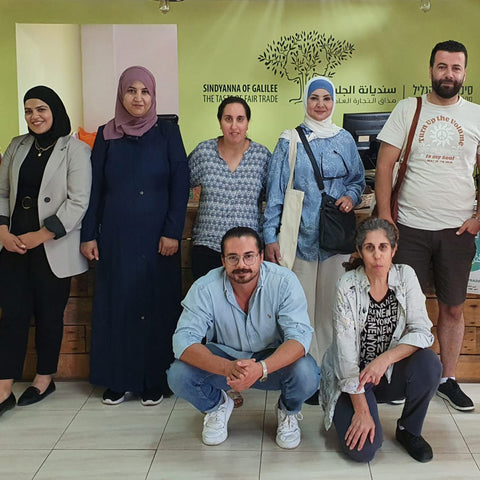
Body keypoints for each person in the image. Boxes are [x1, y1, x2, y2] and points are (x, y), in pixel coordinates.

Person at [375, 40, 480, 412]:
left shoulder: (477, 115)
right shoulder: (409, 108)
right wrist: (387, 217)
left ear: (464, 72)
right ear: (430, 69)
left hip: (456, 232)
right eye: (441, 66)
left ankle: (447, 379)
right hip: (410, 230)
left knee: (452, 308)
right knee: (406, 309)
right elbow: (385, 165)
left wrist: (478, 218)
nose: (448, 74)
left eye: (455, 67)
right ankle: (406, 376)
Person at [80, 66, 189, 406]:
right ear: (121, 95)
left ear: (154, 96)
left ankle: (154, 379)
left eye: (145, 91)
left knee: (156, 307)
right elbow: (93, 188)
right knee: (119, 306)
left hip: (159, 240)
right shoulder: (106, 135)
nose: (138, 97)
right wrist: (88, 235)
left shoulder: (168, 133)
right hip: (116, 238)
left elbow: (180, 185)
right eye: (131, 90)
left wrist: (173, 231)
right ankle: (118, 379)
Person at [167, 227, 320, 448]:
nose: (241, 265)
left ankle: (288, 411)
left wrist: (261, 368)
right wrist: (227, 367)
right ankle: (217, 405)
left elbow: (300, 338)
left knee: (307, 373)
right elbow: (182, 341)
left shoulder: (284, 281)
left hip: (271, 362)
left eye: (249, 256)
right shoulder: (205, 287)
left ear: (260, 257)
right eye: (233, 258)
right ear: (223, 260)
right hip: (226, 361)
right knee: (178, 374)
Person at [0, 86, 91, 416]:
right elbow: (2, 191)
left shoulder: (75, 150)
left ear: (55, 110)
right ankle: (4, 387)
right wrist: (2, 231)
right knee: (11, 316)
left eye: (41, 109)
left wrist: (40, 235)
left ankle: (44, 378)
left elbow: (78, 201)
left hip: (52, 246)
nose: (34, 116)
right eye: (28, 111)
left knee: (49, 316)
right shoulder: (17, 145)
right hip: (12, 246)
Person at [320, 217, 441, 463]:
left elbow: (422, 331)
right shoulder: (347, 286)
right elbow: (345, 358)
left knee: (429, 363)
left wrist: (384, 360)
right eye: (369, 248)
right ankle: (360, 411)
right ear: (360, 251)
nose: (377, 255)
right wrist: (362, 411)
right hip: (353, 380)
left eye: (383, 247)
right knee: (362, 452)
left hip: (388, 373)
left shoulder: (405, 276)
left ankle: (410, 430)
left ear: (393, 250)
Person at [264, 76, 365, 368]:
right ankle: (303, 372)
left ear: (334, 102)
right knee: (301, 310)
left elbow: (358, 181)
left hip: (336, 238)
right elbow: (275, 193)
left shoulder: (345, 139)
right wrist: (270, 236)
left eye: (326, 98)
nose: (320, 105)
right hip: (300, 237)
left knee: (333, 309)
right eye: (314, 98)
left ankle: (330, 371)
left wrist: (350, 195)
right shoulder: (289, 140)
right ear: (305, 101)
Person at [189, 96, 270, 280]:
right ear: (220, 122)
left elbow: (273, 199)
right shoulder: (204, 152)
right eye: (228, 119)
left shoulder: (262, 156)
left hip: (247, 254)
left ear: (248, 123)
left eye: (240, 119)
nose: (234, 126)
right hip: (208, 247)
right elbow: (180, 185)